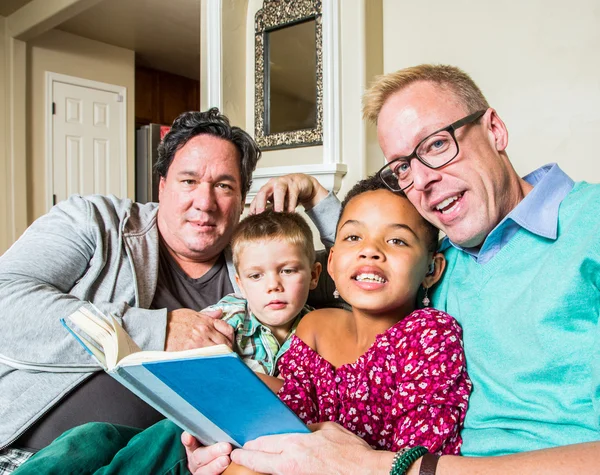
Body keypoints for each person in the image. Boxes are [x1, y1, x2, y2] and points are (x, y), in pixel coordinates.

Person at [189, 64, 600, 474]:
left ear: (494, 129)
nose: (421, 180)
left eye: (438, 144)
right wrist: (225, 439)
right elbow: (374, 252)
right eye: (402, 167)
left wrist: (378, 467)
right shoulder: (446, 259)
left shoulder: (589, 225)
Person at [0, 108, 338, 473]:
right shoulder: (95, 221)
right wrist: (160, 330)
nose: (205, 202)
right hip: (30, 453)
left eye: (224, 186)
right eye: (189, 181)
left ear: (241, 199)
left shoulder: (257, 267)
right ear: (162, 185)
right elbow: (7, 300)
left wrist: (318, 196)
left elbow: (368, 272)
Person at [11, 209, 323, 475]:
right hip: (189, 424)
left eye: (287, 270)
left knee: (169, 434)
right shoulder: (227, 316)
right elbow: (189, 369)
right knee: (92, 435)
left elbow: (313, 399)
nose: (273, 286)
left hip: (223, 441)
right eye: (256, 276)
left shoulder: (320, 332)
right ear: (240, 283)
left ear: (314, 274)